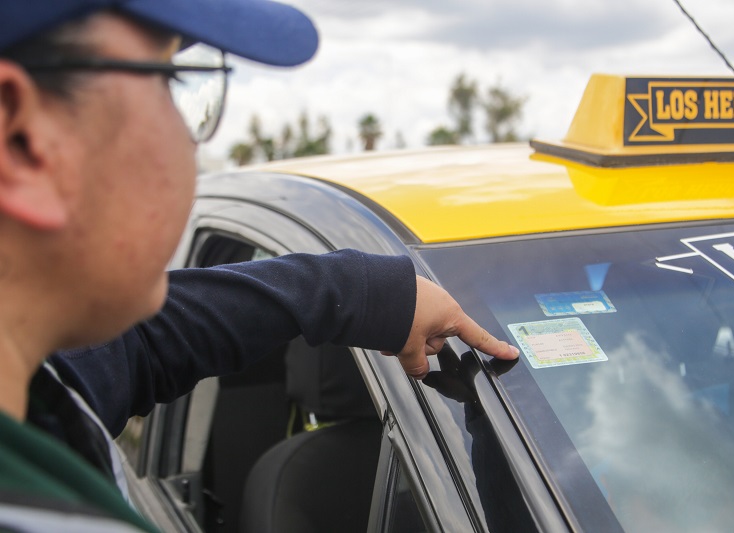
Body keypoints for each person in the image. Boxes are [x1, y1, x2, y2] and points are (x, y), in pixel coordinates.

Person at [0, 1, 519, 531]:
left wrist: (366, 294)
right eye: (169, 81)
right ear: (22, 139)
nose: (190, 142)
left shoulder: (39, 382)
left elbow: (145, 344)